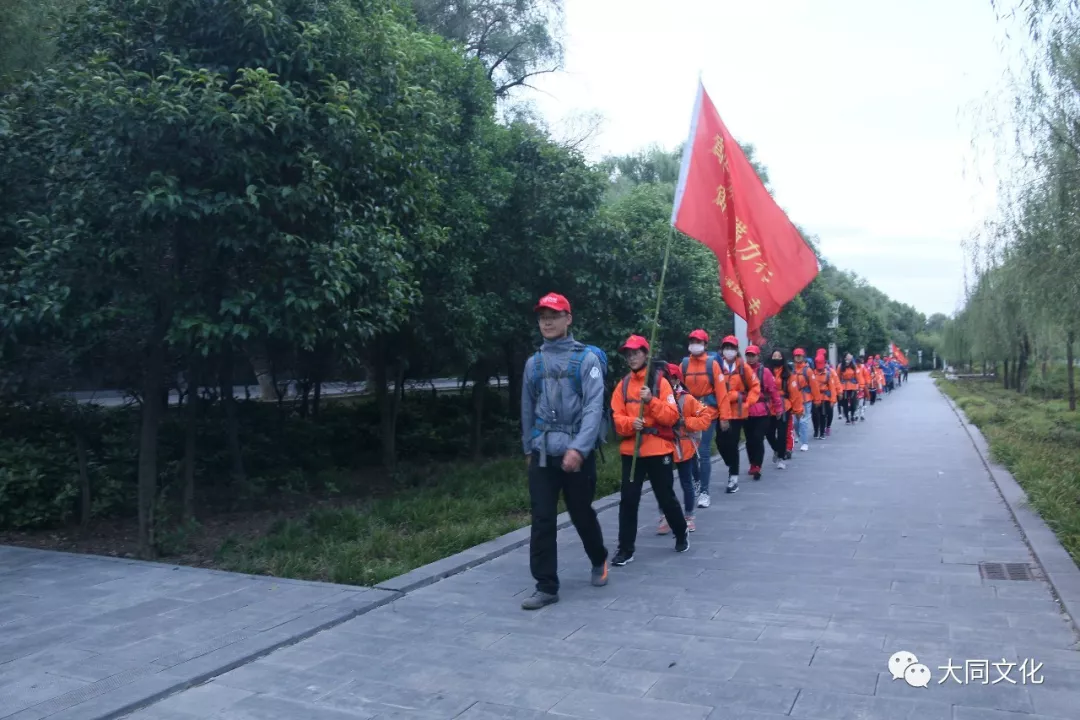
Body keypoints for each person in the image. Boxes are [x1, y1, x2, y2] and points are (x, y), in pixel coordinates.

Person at [520, 292, 609, 610]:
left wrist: (579, 449)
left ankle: (598, 558)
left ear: (568, 319)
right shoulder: (533, 363)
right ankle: (546, 586)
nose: (547, 321)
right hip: (543, 453)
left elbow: (594, 409)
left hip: (577, 455)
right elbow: (527, 408)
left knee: (581, 513)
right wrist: (528, 448)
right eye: (542, 316)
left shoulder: (587, 360)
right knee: (542, 519)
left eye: (554, 316)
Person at [611, 335, 689, 565]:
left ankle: (681, 531)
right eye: (628, 354)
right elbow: (616, 417)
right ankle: (625, 549)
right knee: (628, 500)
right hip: (632, 452)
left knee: (665, 496)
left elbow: (672, 416)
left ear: (646, 354)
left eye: (636, 353)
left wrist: (651, 400)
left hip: (658, 449)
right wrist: (630, 424)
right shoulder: (623, 385)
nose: (631, 357)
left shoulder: (660, 383)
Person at [654, 363, 712, 534]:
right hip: (662, 446)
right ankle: (665, 516)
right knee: (663, 484)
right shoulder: (656, 397)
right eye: (664, 378)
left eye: (669, 378)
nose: (666, 381)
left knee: (686, 481)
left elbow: (705, 418)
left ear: (676, 380)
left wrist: (685, 422)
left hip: (684, 447)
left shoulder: (687, 399)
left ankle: (689, 516)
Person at [679, 329, 724, 509]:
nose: (695, 345)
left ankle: (705, 491)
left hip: (707, 412)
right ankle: (697, 481)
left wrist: (725, 416)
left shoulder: (712, 364)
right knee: (690, 452)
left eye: (698, 342)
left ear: (705, 345)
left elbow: (722, 392)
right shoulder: (684, 364)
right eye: (692, 341)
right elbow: (678, 388)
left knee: (703, 451)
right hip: (689, 413)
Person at [715, 335, 761, 494]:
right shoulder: (716, 365)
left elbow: (755, 386)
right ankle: (731, 463)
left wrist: (748, 402)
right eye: (726, 347)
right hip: (719, 410)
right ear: (722, 349)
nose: (729, 350)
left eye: (732, 348)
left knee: (733, 442)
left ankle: (733, 477)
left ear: (736, 350)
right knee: (720, 441)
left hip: (737, 411)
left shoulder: (743, 367)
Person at [744, 345, 782, 480]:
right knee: (749, 440)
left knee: (758, 438)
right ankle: (752, 463)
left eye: (753, 355)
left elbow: (774, 391)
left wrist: (778, 408)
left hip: (762, 411)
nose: (750, 358)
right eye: (748, 355)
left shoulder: (765, 372)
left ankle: (757, 466)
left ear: (758, 356)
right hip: (746, 411)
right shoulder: (742, 370)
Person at [768, 349, 803, 469]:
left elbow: (794, 393)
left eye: (779, 356)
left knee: (782, 433)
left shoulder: (788, 374)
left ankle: (781, 457)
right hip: (769, 406)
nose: (776, 358)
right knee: (769, 432)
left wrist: (798, 410)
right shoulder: (766, 372)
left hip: (784, 406)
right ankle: (777, 449)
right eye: (774, 356)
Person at [791, 348, 820, 452]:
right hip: (795, 400)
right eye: (796, 356)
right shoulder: (791, 370)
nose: (798, 358)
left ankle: (804, 443)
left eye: (800, 356)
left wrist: (817, 400)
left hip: (806, 399)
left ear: (803, 357)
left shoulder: (808, 370)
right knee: (795, 422)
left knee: (803, 422)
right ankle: (800, 436)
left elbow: (814, 386)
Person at [811, 349, 838, 439]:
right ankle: (816, 430)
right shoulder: (812, 373)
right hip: (814, 397)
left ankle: (822, 432)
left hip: (825, 397)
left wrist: (833, 400)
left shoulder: (828, 374)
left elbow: (832, 387)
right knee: (814, 415)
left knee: (823, 415)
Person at [838, 353, 860, 424]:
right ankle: (847, 418)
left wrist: (859, 385)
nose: (850, 358)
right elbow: (837, 378)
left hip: (852, 386)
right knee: (845, 403)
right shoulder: (840, 366)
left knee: (853, 402)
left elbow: (857, 376)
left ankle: (852, 415)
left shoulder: (854, 366)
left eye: (850, 357)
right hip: (844, 386)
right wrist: (838, 388)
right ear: (845, 358)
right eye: (848, 357)